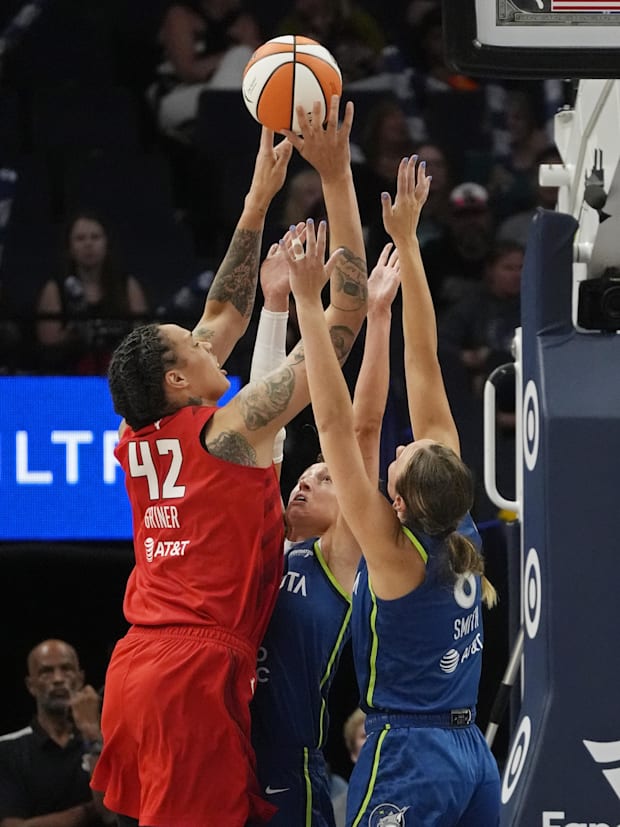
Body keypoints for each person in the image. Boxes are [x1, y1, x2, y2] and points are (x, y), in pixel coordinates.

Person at [91, 99, 368, 826]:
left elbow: (226, 309)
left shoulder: (141, 421)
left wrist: (258, 197)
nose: (208, 338)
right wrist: (336, 180)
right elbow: (341, 327)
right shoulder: (226, 429)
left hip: (141, 666)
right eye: (193, 343)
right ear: (181, 380)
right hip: (187, 674)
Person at [287, 156, 500, 825]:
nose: (402, 447)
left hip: (412, 750)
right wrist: (406, 247)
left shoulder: (394, 553)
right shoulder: (457, 513)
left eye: (401, 460)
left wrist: (308, 305)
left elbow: (335, 423)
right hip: (471, 753)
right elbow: (425, 362)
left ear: (399, 506)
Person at [250, 239, 400, 826]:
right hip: (225, 749)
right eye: (304, 478)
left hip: (288, 768)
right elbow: (264, 423)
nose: (304, 485)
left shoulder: (338, 559)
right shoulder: (268, 541)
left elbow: (361, 427)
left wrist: (378, 319)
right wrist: (275, 305)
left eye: (324, 479)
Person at [0, 639, 109, 827]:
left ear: (80, 678)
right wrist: (87, 811)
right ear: (30, 685)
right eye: (46, 672)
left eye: (66, 669)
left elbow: (111, 815)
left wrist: (92, 735)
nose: (58, 679)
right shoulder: (8, 749)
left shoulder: (106, 741)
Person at [35, 211, 149, 375]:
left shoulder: (127, 285)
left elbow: (143, 337)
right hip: (69, 378)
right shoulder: (55, 288)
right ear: (70, 248)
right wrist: (74, 335)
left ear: (106, 244)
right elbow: (48, 344)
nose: (88, 244)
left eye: (95, 237)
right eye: (80, 238)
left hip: (121, 377)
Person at [148, 0, 261, 143]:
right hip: (178, 95)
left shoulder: (242, 21)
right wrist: (232, 54)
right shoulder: (180, 15)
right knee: (241, 55)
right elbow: (187, 71)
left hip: (228, 95)